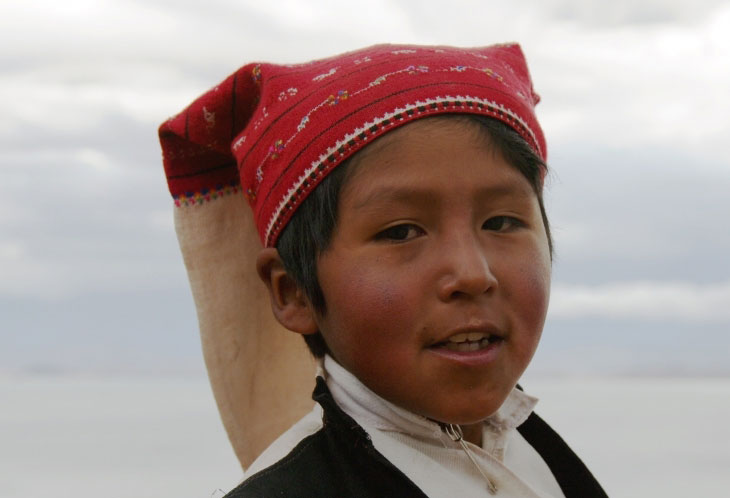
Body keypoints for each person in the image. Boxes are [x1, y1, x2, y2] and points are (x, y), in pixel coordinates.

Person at [159, 43, 608, 497]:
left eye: (502, 222)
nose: (474, 274)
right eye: (401, 233)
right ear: (293, 291)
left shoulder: (533, 451)